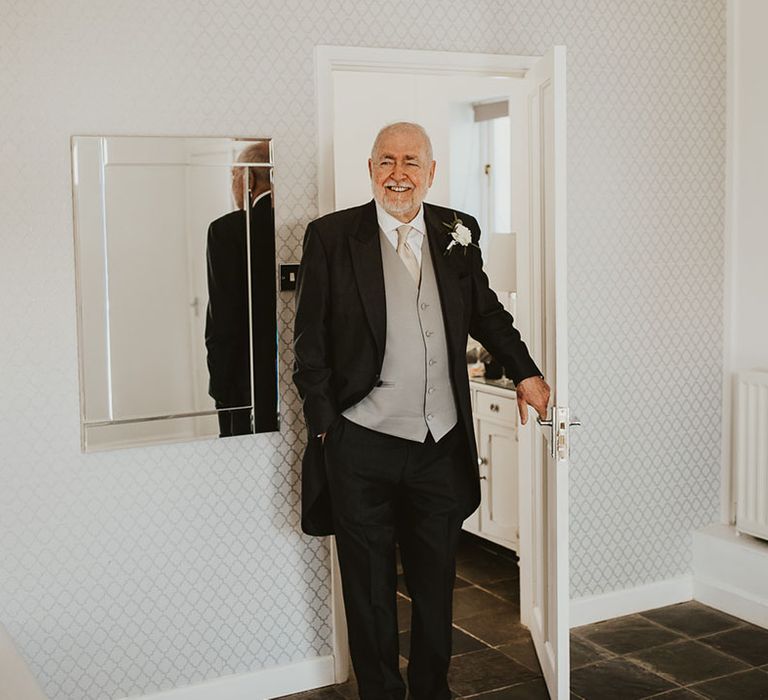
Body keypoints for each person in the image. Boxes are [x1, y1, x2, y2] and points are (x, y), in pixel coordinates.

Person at [292, 122, 550, 700]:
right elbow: (308, 346)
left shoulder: (456, 231)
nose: (399, 173)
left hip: (440, 444)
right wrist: (328, 429)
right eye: (387, 161)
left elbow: (486, 314)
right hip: (362, 443)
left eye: (412, 161)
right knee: (368, 587)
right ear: (370, 169)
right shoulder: (332, 237)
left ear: (431, 172)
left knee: (436, 583)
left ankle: (433, 690)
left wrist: (527, 372)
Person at [205, 141, 278, 436]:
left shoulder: (227, 231)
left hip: (239, 380)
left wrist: (220, 386)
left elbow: (222, 317)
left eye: (233, 175)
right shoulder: (307, 227)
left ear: (248, 179)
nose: (233, 183)